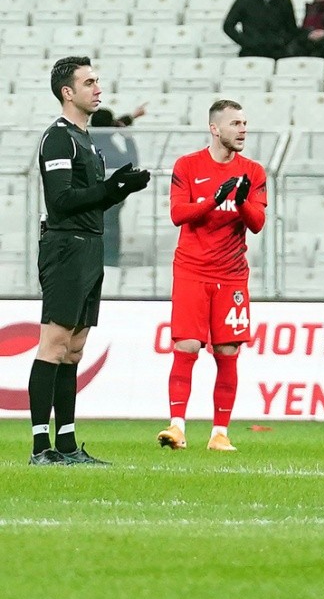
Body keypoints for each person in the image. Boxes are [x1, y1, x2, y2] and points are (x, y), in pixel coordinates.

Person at [32, 57, 152, 465]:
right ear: (68, 92)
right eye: (89, 82)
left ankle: (65, 444)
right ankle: (39, 447)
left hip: (90, 244)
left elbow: (92, 198)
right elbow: (61, 200)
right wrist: (111, 187)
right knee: (54, 342)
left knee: (76, 347)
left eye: (97, 80)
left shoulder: (87, 139)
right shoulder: (58, 138)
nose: (97, 88)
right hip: (65, 246)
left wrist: (119, 190)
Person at [156, 100, 268, 453]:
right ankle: (177, 427)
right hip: (191, 268)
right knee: (186, 345)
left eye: (245, 123)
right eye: (236, 123)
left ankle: (219, 432)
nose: (243, 129)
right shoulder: (188, 165)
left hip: (232, 274)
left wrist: (240, 201)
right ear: (215, 128)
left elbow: (258, 223)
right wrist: (212, 200)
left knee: (227, 350)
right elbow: (178, 214)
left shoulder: (253, 171)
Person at [89, 105, 145, 267]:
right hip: (109, 197)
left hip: (87, 197)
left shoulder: (86, 138)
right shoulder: (109, 148)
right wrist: (127, 138)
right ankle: (111, 263)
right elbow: (132, 163)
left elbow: (108, 126)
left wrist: (132, 116)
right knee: (110, 232)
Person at [222, 0, 298, 59]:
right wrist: (245, 41)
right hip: (250, 52)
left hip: (277, 52)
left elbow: (292, 29)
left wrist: (282, 41)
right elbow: (228, 25)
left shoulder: (284, 0)